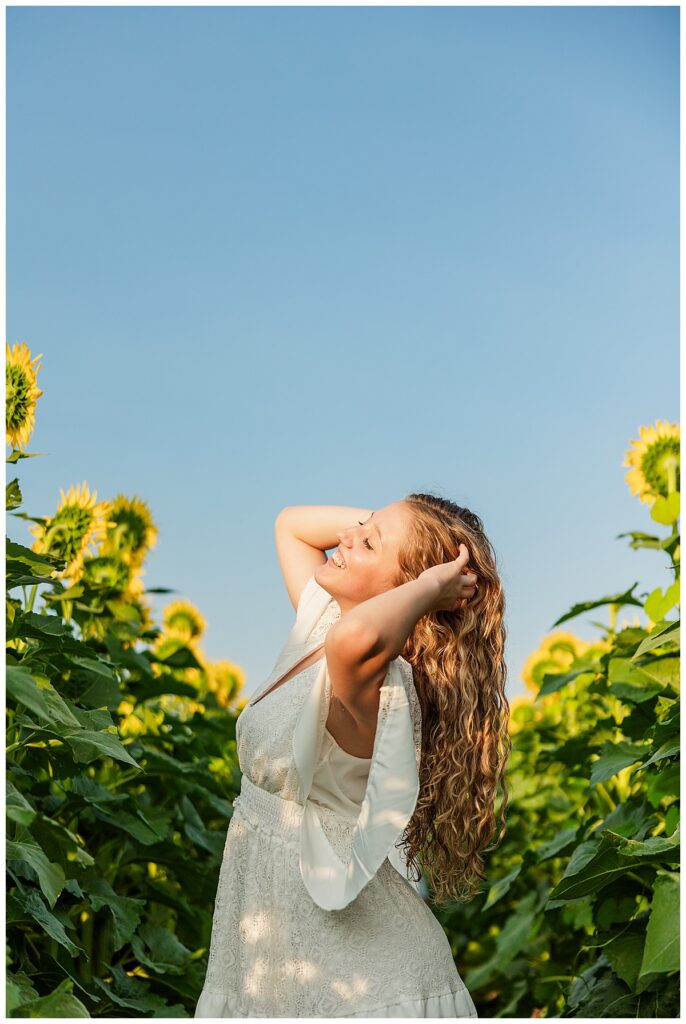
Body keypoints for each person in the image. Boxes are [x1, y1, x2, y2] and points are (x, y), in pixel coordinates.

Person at [195, 493, 510, 1018]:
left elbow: (358, 638)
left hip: (363, 978)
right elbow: (290, 525)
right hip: (290, 950)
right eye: (360, 526)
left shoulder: (378, 678)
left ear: (405, 590)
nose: (347, 538)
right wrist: (394, 525)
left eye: (368, 542)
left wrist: (434, 581)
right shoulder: (317, 628)